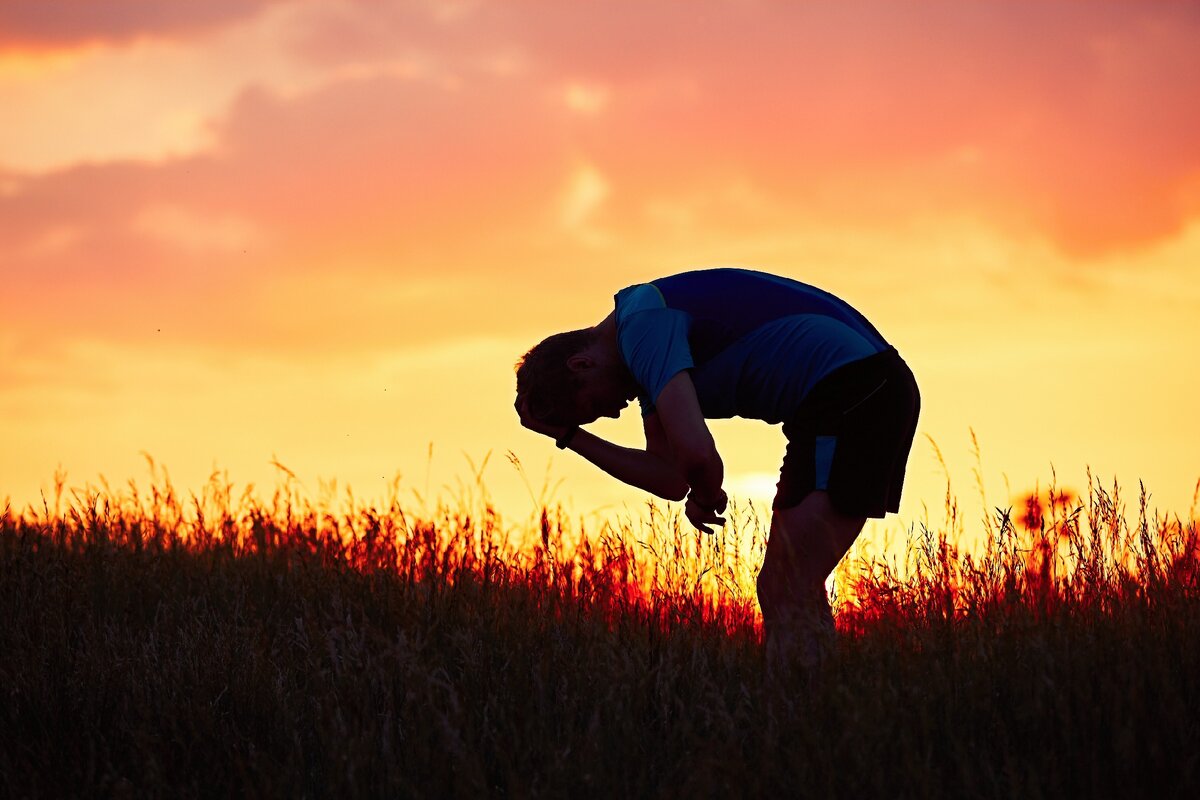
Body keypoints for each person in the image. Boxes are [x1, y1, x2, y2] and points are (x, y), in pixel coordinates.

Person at [513, 267, 920, 670]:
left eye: (592, 409)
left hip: (855, 388)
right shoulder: (645, 352)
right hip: (846, 394)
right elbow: (671, 477)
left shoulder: (642, 328)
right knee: (792, 585)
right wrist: (569, 436)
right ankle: (814, 713)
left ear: (581, 365)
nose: (612, 414)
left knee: (786, 586)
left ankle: (799, 718)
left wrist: (706, 492)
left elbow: (698, 455)